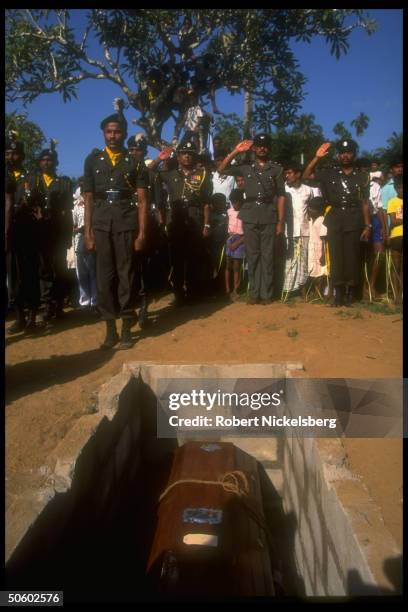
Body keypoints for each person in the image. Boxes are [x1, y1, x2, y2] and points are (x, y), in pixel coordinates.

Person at [83, 109, 148, 349]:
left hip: (125, 220)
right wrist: (87, 233)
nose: (113, 136)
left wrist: (142, 233)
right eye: (109, 132)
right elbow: (88, 198)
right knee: (104, 278)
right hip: (101, 223)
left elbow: (142, 201)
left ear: (124, 133)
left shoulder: (135, 162)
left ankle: (127, 327)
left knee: (126, 274)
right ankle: (110, 329)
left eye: (117, 131)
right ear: (103, 134)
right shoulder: (92, 160)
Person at [217, 134, 286, 304]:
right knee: (253, 255)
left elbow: (282, 196)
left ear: (268, 149)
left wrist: (281, 221)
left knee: (267, 256)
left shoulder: (276, 170)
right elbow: (221, 169)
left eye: (265, 145)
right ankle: (254, 293)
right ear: (254, 148)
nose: (262, 148)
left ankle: (267, 294)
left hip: (269, 214)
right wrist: (235, 151)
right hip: (250, 213)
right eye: (259, 145)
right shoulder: (246, 168)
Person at [303, 139, 371, 307]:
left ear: (354, 154)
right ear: (338, 155)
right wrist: (317, 157)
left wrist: (367, 225)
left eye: (348, 152)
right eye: (342, 152)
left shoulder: (362, 176)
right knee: (336, 256)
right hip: (334, 218)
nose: (345, 155)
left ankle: (349, 293)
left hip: (354, 218)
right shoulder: (329, 173)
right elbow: (306, 175)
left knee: (351, 257)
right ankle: (338, 293)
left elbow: (364, 202)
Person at [159, 140, 213, 305]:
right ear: (179, 156)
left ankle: (193, 292)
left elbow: (206, 202)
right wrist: (160, 159)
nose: (187, 156)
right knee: (177, 258)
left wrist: (207, 224)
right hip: (176, 219)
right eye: (184, 153)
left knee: (194, 257)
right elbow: (148, 174)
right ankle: (178, 294)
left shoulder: (203, 175)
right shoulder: (169, 174)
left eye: (190, 153)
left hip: (195, 217)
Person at [127, 133, 167, 328]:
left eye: (138, 149)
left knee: (144, 268)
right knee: (126, 268)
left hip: (146, 224)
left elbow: (159, 202)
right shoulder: (122, 171)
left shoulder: (152, 174)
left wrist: (160, 222)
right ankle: (130, 307)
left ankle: (143, 309)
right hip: (125, 223)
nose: (135, 152)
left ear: (144, 151)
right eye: (132, 149)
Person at [31, 144, 73, 322]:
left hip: (58, 233)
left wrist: (69, 235)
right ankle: (47, 305)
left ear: (55, 162)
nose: (46, 163)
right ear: (39, 162)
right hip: (40, 234)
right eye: (43, 160)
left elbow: (68, 210)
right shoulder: (33, 181)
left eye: (49, 160)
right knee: (44, 270)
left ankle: (59, 306)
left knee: (60, 270)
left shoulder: (63, 182)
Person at [5, 136, 41, 333]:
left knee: (29, 276)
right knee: (13, 277)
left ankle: (32, 318)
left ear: (22, 156)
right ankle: (19, 317)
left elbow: (34, 202)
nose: (11, 157)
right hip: (9, 236)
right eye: (8, 153)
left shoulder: (30, 177)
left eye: (15, 153)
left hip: (27, 234)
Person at [282, 163, 314, 300]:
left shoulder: (308, 190)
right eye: (286, 173)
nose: (287, 176)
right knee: (289, 260)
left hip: (305, 230)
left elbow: (312, 209)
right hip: (288, 231)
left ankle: (302, 290)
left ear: (298, 174)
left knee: (303, 261)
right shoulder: (284, 190)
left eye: (289, 173)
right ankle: (288, 291)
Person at [72, 178, 97, 311]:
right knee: (81, 273)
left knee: (93, 271)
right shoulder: (75, 207)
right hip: (78, 242)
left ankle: (95, 300)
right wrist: (80, 229)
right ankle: (84, 301)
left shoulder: (95, 204)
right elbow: (72, 226)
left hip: (93, 240)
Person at [306, 197, 328, 300]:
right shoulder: (310, 220)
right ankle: (314, 290)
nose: (309, 210)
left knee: (321, 271)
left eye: (311, 209)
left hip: (319, 250)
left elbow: (324, 240)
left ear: (319, 211)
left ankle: (320, 291)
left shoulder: (322, 221)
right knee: (312, 270)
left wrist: (323, 254)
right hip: (311, 249)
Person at [225, 188, 245, 301]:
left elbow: (246, 232)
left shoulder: (245, 212)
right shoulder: (229, 211)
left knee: (237, 266)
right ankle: (227, 289)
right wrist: (228, 241)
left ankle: (235, 289)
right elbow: (227, 225)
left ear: (241, 201)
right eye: (232, 202)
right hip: (230, 238)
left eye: (235, 202)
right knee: (228, 265)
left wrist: (237, 243)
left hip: (241, 239)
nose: (234, 204)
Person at [387, 175, 403, 304]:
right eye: (398, 187)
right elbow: (393, 221)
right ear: (396, 188)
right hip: (396, 236)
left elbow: (397, 220)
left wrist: (399, 220)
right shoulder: (392, 201)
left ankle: (400, 294)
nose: (401, 189)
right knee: (396, 266)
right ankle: (396, 294)